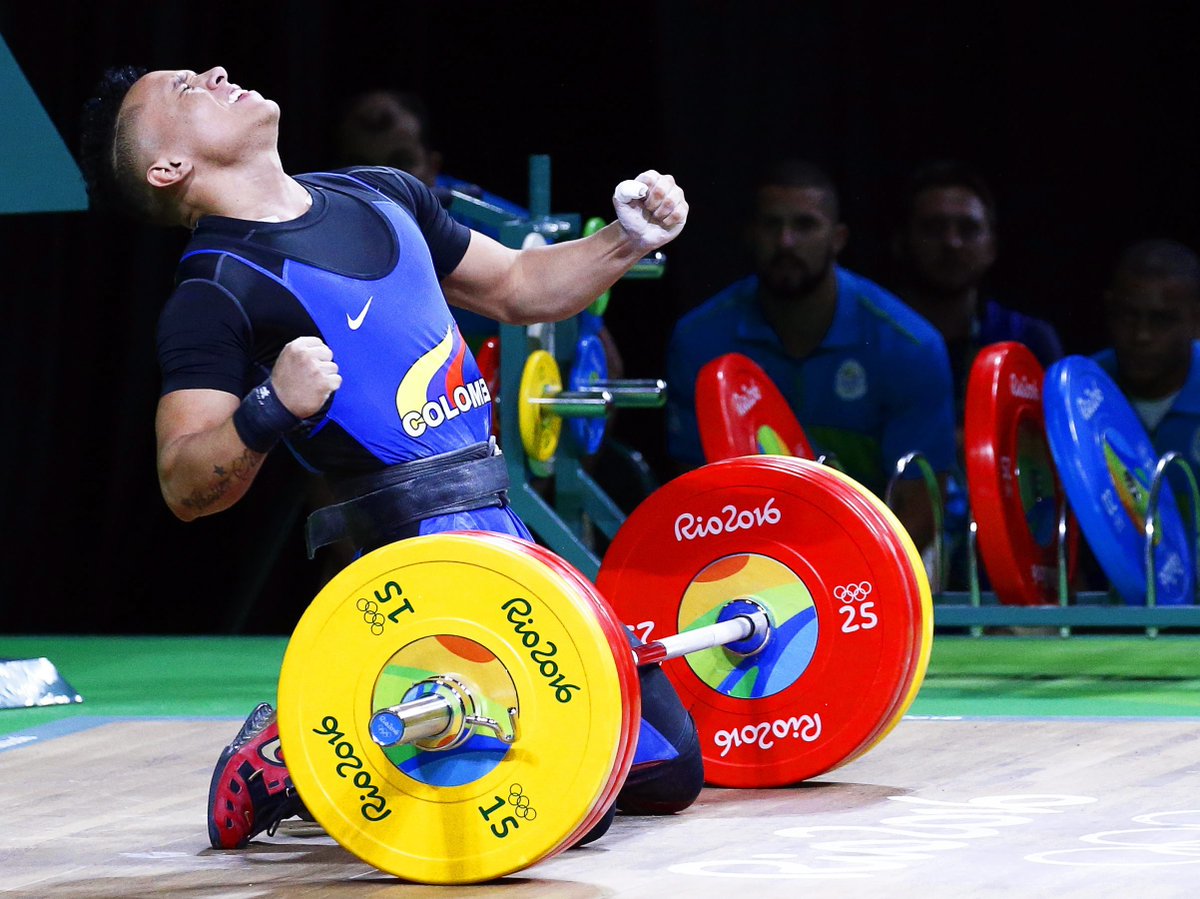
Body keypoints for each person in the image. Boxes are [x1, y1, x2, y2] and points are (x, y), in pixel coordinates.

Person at [78, 64, 698, 851]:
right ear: (168, 168)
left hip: (506, 535)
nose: (216, 73)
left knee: (668, 765)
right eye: (186, 88)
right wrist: (269, 408)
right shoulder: (215, 290)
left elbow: (515, 284)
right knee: (578, 806)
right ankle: (291, 754)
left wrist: (626, 238)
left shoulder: (380, 192)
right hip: (412, 575)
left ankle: (333, 748)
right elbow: (184, 483)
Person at [665, 158, 956, 554]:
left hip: (882, 554)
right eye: (772, 225)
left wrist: (840, 584)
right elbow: (694, 490)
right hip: (746, 555)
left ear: (837, 238)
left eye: (805, 225)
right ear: (750, 234)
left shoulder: (910, 345)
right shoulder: (699, 340)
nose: (786, 242)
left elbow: (920, 507)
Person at [890, 160, 1064, 418]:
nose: (952, 243)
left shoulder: (1028, 339)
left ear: (992, 247)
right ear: (902, 242)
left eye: (968, 229)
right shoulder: (879, 335)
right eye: (934, 228)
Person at [1093, 238, 1200, 468]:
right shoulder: (1084, 391)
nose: (1142, 335)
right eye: (1128, 315)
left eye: (1162, 320)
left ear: (1196, 320)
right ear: (1109, 309)